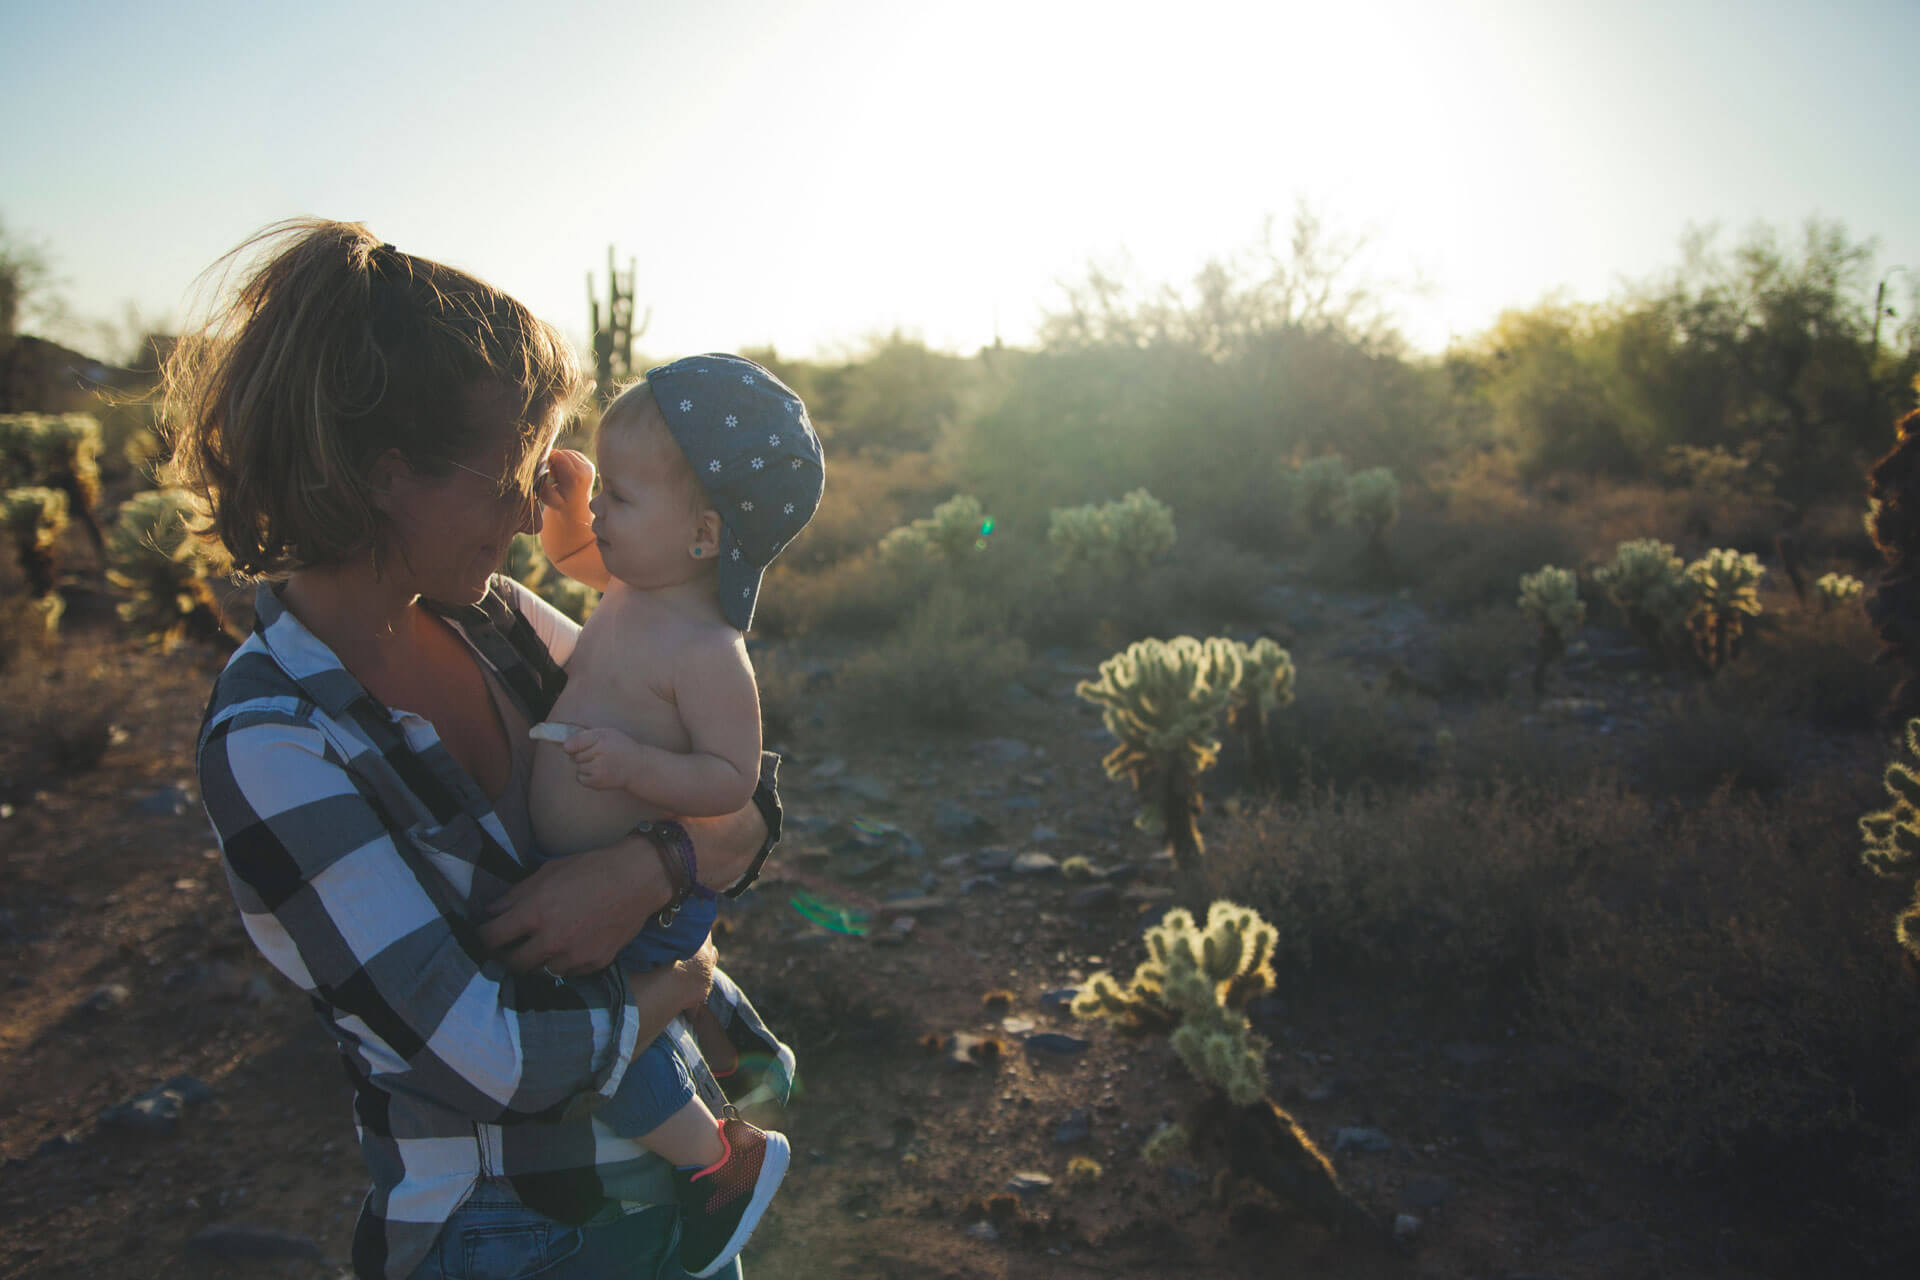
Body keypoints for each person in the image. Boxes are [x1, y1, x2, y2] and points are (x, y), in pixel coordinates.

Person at [161, 219, 789, 1280]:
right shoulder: (275, 740)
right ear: (385, 476)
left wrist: (651, 867)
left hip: (669, 1192)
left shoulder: (494, 619)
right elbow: (485, 1055)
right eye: (509, 477)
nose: (531, 511)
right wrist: (675, 983)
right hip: (510, 1225)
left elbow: (744, 801)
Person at [524, 358, 821, 1275]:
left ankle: (718, 1160)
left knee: (607, 1037)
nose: (602, 515)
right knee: (629, 1007)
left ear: (702, 534)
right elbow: (577, 556)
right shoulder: (633, 587)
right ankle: (733, 1030)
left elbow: (731, 780)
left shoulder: (706, 651)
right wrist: (574, 503)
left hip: (643, 903)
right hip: (611, 886)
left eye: (621, 495)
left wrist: (640, 765)